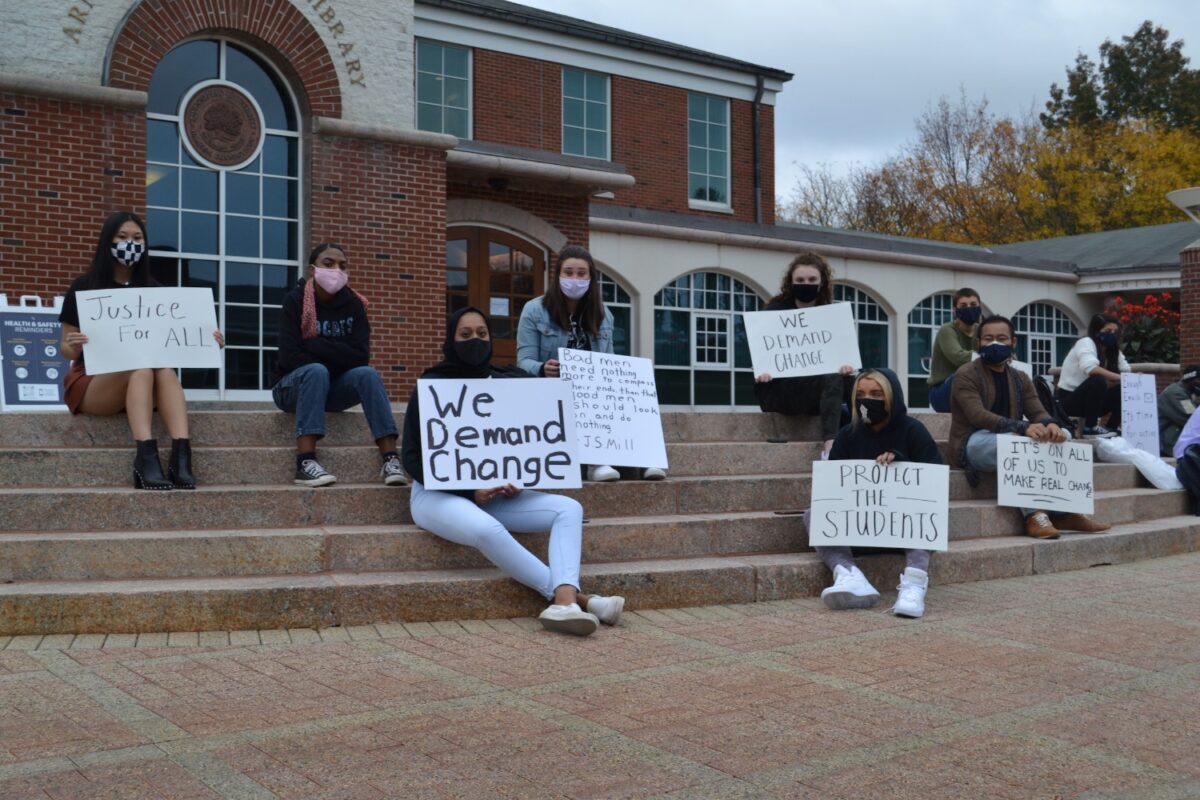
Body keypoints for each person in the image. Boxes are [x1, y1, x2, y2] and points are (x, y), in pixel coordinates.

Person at [403, 306, 625, 636]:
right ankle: (574, 599)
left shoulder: (509, 382)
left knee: (569, 508)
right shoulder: (431, 386)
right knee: (487, 529)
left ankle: (567, 602)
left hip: (497, 493)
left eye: (482, 334)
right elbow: (411, 458)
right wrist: (470, 491)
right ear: (451, 340)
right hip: (437, 494)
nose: (474, 340)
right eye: (465, 335)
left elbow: (530, 444)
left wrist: (524, 476)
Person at [58, 211, 224, 490]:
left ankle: (181, 457)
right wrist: (73, 344)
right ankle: (145, 457)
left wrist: (207, 340)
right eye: (121, 237)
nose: (130, 244)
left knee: (162, 369)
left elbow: (170, 343)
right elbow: (66, 350)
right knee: (142, 365)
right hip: (94, 379)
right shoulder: (84, 287)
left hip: (144, 378)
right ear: (107, 242)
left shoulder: (154, 291)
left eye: (137, 238)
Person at [950, 314, 1111, 539]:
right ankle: (1034, 515)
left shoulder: (1020, 377)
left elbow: (1037, 411)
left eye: (1001, 338)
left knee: (1063, 436)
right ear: (978, 343)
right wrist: (1021, 427)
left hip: (1011, 437)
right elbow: (977, 416)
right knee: (1018, 444)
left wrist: (1051, 425)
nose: (994, 343)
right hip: (973, 441)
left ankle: (1065, 512)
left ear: (1013, 342)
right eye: (987, 339)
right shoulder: (967, 373)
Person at [516, 244, 665, 482]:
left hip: (592, 393)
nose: (575, 279)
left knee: (633, 396)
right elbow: (523, 362)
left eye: (581, 273)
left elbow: (610, 361)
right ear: (558, 276)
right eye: (569, 272)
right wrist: (542, 369)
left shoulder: (604, 314)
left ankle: (647, 458)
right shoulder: (534, 310)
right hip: (551, 392)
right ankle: (599, 463)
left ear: (590, 278)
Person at [272, 243, 406, 488]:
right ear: (313, 269)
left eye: (342, 266)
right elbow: (289, 357)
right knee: (316, 371)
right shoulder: (296, 301)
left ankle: (390, 459)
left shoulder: (354, 304)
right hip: (290, 389)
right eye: (328, 263)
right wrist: (336, 355)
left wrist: (313, 344)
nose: (336, 270)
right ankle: (305, 462)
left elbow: (360, 358)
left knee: (367, 374)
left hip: (332, 389)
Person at [814, 368, 939, 618]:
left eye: (876, 393)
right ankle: (849, 575)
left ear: (892, 396)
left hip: (902, 530)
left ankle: (915, 582)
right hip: (858, 529)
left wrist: (902, 463)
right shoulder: (847, 435)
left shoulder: (914, 431)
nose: (866, 399)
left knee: (924, 510)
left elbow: (933, 486)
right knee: (813, 515)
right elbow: (833, 488)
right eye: (860, 393)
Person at [754, 252, 855, 457]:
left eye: (811, 280)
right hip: (779, 392)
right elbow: (761, 355)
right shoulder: (773, 313)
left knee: (865, 382)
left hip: (817, 391)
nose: (805, 284)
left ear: (821, 283)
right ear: (790, 283)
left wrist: (846, 367)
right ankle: (831, 447)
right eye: (800, 280)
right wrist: (762, 370)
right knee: (832, 379)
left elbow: (838, 355)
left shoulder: (830, 315)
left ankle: (865, 439)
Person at [1055, 313, 1130, 438]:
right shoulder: (1086, 343)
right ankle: (1090, 428)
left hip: (1092, 403)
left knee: (1124, 388)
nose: (1112, 334)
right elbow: (1091, 369)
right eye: (1108, 331)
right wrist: (1121, 378)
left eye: (1115, 331)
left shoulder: (1113, 351)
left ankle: (1112, 427)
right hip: (1069, 400)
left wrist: (1134, 379)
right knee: (1097, 380)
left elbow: (1126, 371)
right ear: (1096, 332)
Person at [926, 288, 982, 412]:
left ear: (979, 307)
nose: (969, 308)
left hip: (972, 390)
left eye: (973, 305)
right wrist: (989, 356)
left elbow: (1007, 353)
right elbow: (958, 357)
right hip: (942, 392)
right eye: (963, 305)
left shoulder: (983, 331)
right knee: (965, 374)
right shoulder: (947, 330)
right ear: (955, 310)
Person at [1158, 365, 1200, 456]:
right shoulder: (1176, 393)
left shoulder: (1191, 391)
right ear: (1191, 379)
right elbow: (1191, 419)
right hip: (1170, 441)